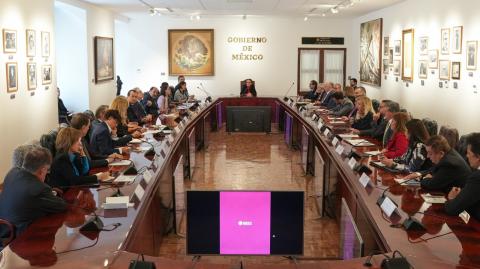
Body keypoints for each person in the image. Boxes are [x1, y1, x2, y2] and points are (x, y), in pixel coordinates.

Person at [0, 146, 67, 240]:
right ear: (42, 170)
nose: (47, 173)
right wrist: (51, 194)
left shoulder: (12, 172)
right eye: (47, 170)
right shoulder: (38, 188)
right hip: (20, 238)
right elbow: (61, 206)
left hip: (4, 230)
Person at [404, 135, 471, 193]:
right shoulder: (449, 154)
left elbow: (432, 185)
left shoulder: (449, 164)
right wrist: (419, 174)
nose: (427, 156)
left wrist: (424, 178)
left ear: (441, 153)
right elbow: (433, 169)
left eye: (430, 153)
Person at [445, 133, 480, 220]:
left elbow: (452, 209)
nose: (467, 156)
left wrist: (451, 198)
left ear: (478, 157)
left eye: (468, 153)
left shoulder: (477, 178)